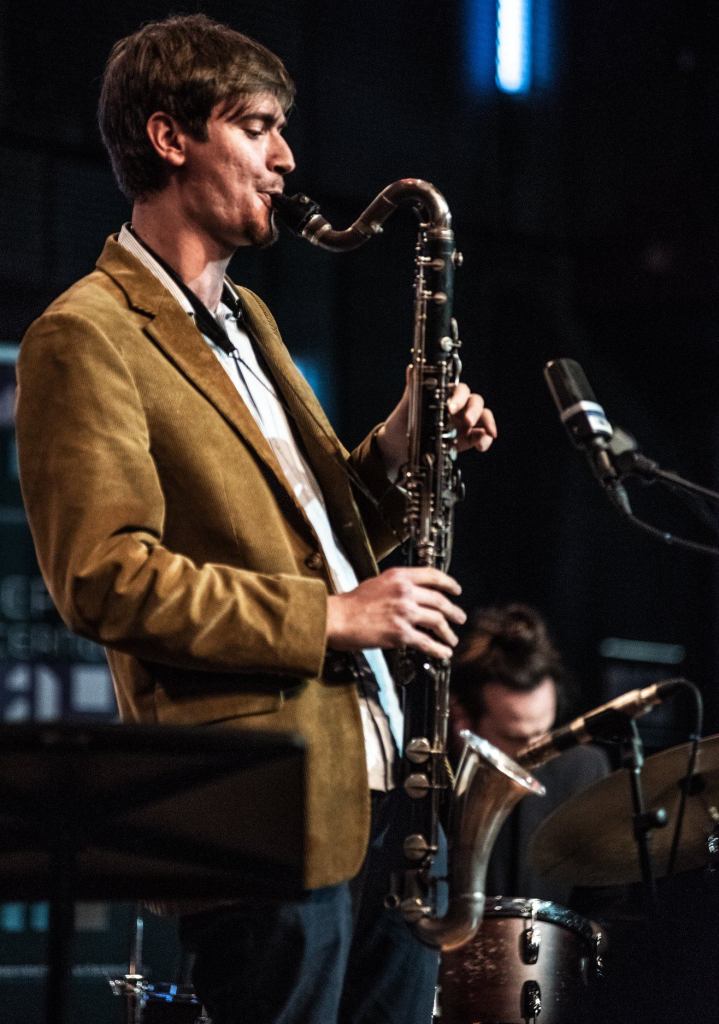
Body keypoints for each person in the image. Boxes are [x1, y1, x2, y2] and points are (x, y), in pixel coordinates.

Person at [14, 14, 497, 1024]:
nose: (286, 159)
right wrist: (334, 618)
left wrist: (398, 446)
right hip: (261, 809)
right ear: (169, 136)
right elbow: (104, 577)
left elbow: (317, 538)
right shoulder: (86, 334)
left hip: (378, 790)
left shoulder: (249, 320)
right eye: (257, 127)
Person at [450, 603, 610, 906]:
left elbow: (605, 902)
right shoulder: (431, 779)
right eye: (516, 738)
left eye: (543, 731)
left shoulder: (583, 769)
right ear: (462, 717)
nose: (538, 750)